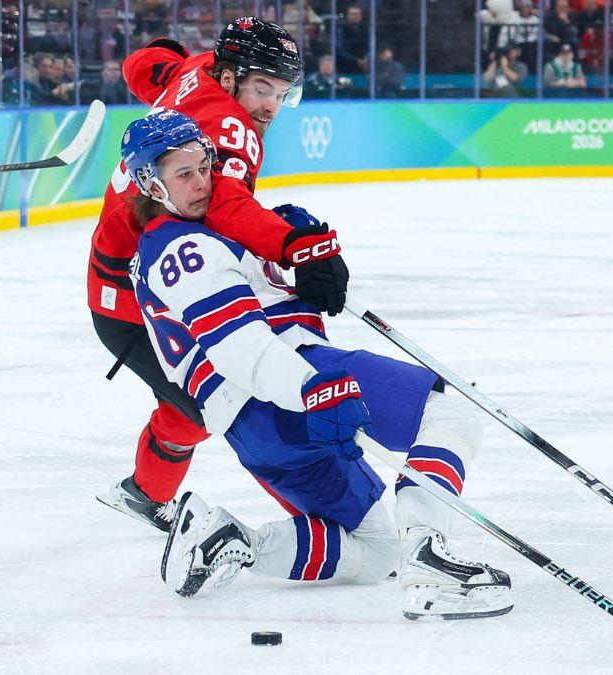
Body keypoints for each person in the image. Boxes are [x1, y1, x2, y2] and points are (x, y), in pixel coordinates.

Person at [121, 109, 514, 619]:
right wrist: (314, 389)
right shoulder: (182, 248)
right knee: (451, 413)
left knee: (376, 550)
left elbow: (262, 293)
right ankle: (430, 555)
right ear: (151, 184)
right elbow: (241, 348)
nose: (202, 182)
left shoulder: (195, 237)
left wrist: (290, 255)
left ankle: (233, 540)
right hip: (288, 382)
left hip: (255, 430)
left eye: (204, 166)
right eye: (183, 174)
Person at [89, 18, 349, 532]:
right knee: (231, 403)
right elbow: (226, 205)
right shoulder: (230, 129)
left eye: (282, 93)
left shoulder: (196, 68)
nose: (271, 106)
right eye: (262, 89)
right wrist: (301, 248)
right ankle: (328, 516)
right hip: (138, 298)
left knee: (199, 405)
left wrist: (161, 51)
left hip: (157, 274)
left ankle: (143, 492)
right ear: (230, 79)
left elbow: (144, 67)